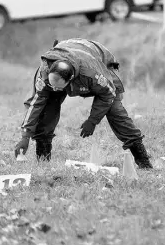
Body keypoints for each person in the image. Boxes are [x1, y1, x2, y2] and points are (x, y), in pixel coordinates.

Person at [13, 38, 153, 169]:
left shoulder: (92, 73)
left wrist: (92, 121)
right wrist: (25, 136)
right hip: (68, 53)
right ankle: (43, 162)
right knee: (47, 107)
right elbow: (35, 104)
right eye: (52, 85)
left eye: (58, 87)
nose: (54, 89)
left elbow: (108, 94)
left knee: (115, 110)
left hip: (98, 58)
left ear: (71, 80)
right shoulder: (44, 73)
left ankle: (143, 161)